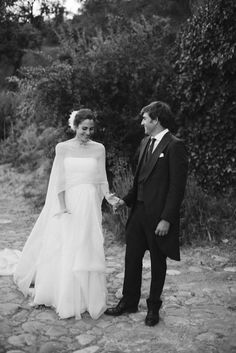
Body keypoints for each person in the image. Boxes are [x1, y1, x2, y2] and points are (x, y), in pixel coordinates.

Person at [0, 109, 120, 320]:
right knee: (67, 246)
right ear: (75, 126)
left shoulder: (99, 148)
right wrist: (63, 206)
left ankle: (86, 296)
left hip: (89, 204)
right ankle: (64, 295)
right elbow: (60, 180)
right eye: (84, 128)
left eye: (91, 129)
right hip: (69, 203)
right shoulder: (62, 148)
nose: (88, 133)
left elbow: (101, 179)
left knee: (87, 245)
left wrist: (109, 198)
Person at [105, 101, 188, 326]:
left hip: (158, 216)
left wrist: (166, 219)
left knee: (158, 262)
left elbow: (176, 187)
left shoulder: (175, 145)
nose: (142, 122)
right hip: (138, 213)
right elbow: (138, 181)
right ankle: (129, 301)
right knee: (131, 258)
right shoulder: (144, 142)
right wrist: (124, 201)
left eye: (144, 118)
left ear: (156, 120)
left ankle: (153, 308)